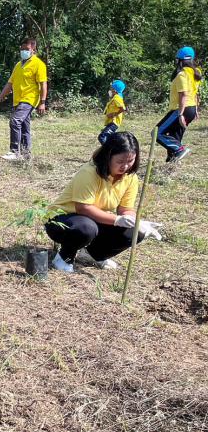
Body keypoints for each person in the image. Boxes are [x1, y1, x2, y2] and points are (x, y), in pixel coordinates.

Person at [45, 132, 162, 272]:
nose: (125, 166)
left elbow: (125, 209)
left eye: (130, 161)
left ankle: (92, 255)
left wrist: (135, 222)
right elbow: (83, 208)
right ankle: (64, 258)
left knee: (134, 232)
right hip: (62, 219)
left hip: (92, 220)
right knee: (86, 228)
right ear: (108, 156)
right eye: (120, 161)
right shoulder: (89, 172)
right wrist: (117, 220)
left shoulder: (130, 178)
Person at [0, 38, 48, 161]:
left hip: (30, 99)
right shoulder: (18, 65)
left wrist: (42, 102)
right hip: (18, 99)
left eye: (27, 49)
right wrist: (0, 97)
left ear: (33, 50)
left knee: (15, 121)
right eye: (22, 49)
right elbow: (9, 84)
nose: (24, 51)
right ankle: (26, 154)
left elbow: (43, 84)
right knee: (24, 126)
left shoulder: (39, 64)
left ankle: (14, 151)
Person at [156, 46, 201, 162]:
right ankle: (172, 163)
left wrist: (180, 114)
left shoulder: (182, 75)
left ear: (180, 60)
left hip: (181, 109)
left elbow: (184, 95)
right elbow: (195, 93)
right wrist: (195, 109)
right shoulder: (196, 73)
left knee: (157, 133)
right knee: (174, 136)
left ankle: (179, 150)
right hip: (190, 109)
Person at [99, 80, 127, 145]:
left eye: (111, 88)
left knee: (102, 137)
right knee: (110, 138)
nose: (110, 90)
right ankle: (115, 150)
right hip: (111, 122)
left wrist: (114, 114)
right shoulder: (114, 97)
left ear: (115, 90)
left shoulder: (117, 98)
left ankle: (109, 152)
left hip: (114, 122)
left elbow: (123, 108)